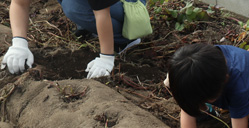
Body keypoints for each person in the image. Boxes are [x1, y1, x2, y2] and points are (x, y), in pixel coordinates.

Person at [1, 0, 143, 79]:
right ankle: (88, 22)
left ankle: (124, 38)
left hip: (130, 3)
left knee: (74, 7)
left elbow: (101, 13)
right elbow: (19, 3)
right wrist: (19, 44)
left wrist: (106, 57)